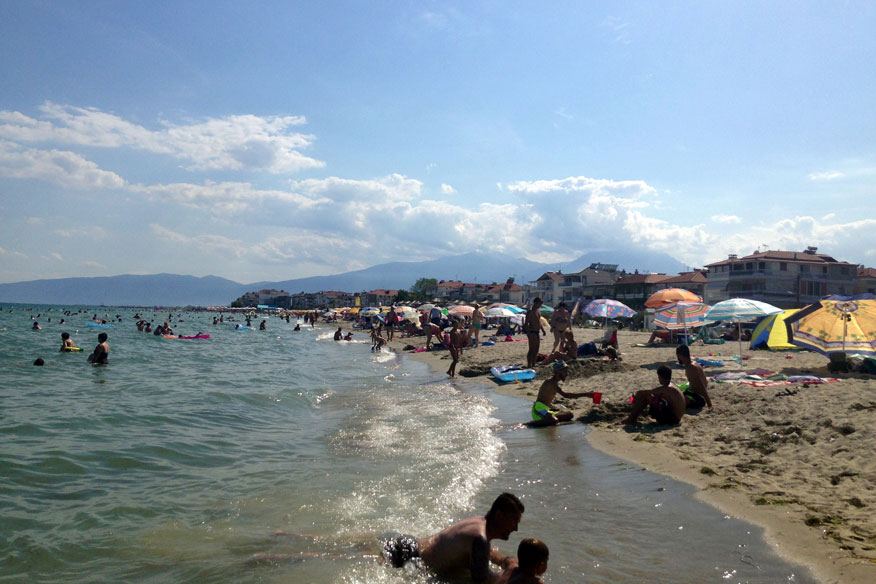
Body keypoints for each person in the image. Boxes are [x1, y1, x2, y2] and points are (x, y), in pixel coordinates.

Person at [383, 492, 524, 583]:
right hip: (406, 559)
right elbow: (482, 580)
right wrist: (511, 577)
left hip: (408, 545)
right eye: (513, 522)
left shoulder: (479, 523)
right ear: (499, 515)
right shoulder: (480, 538)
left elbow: (489, 552)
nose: (516, 528)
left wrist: (507, 561)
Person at [530, 361, 592, 426]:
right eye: (565, 372)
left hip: (546, 409)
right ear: (558, 372)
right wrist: (586, 394)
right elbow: (566, 395)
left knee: (569, 415)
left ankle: (548, 419)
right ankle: (528, 424)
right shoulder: (551, 382)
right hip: (539, 409)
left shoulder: (555, 383)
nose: (567, 374)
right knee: (554, 420)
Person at [676, 345, 713, 409]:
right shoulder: (694, 363)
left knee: (677, 402)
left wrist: (709, 403)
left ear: (680, 355)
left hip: (698, 397)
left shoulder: (691, 368)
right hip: (692, 393)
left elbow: (701, 386)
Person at [524, 299, 546, 368]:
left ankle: (533, 364)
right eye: (539, 304)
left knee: (536, 349)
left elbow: (539, 322)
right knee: (531, 349)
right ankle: (529, 364)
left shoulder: (538, 311)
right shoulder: (530, 312)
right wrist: (528, 333)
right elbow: (526, 323)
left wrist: (543, 330)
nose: (540, 305)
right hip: (532, 331)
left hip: (537, 332)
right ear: (535, 303)